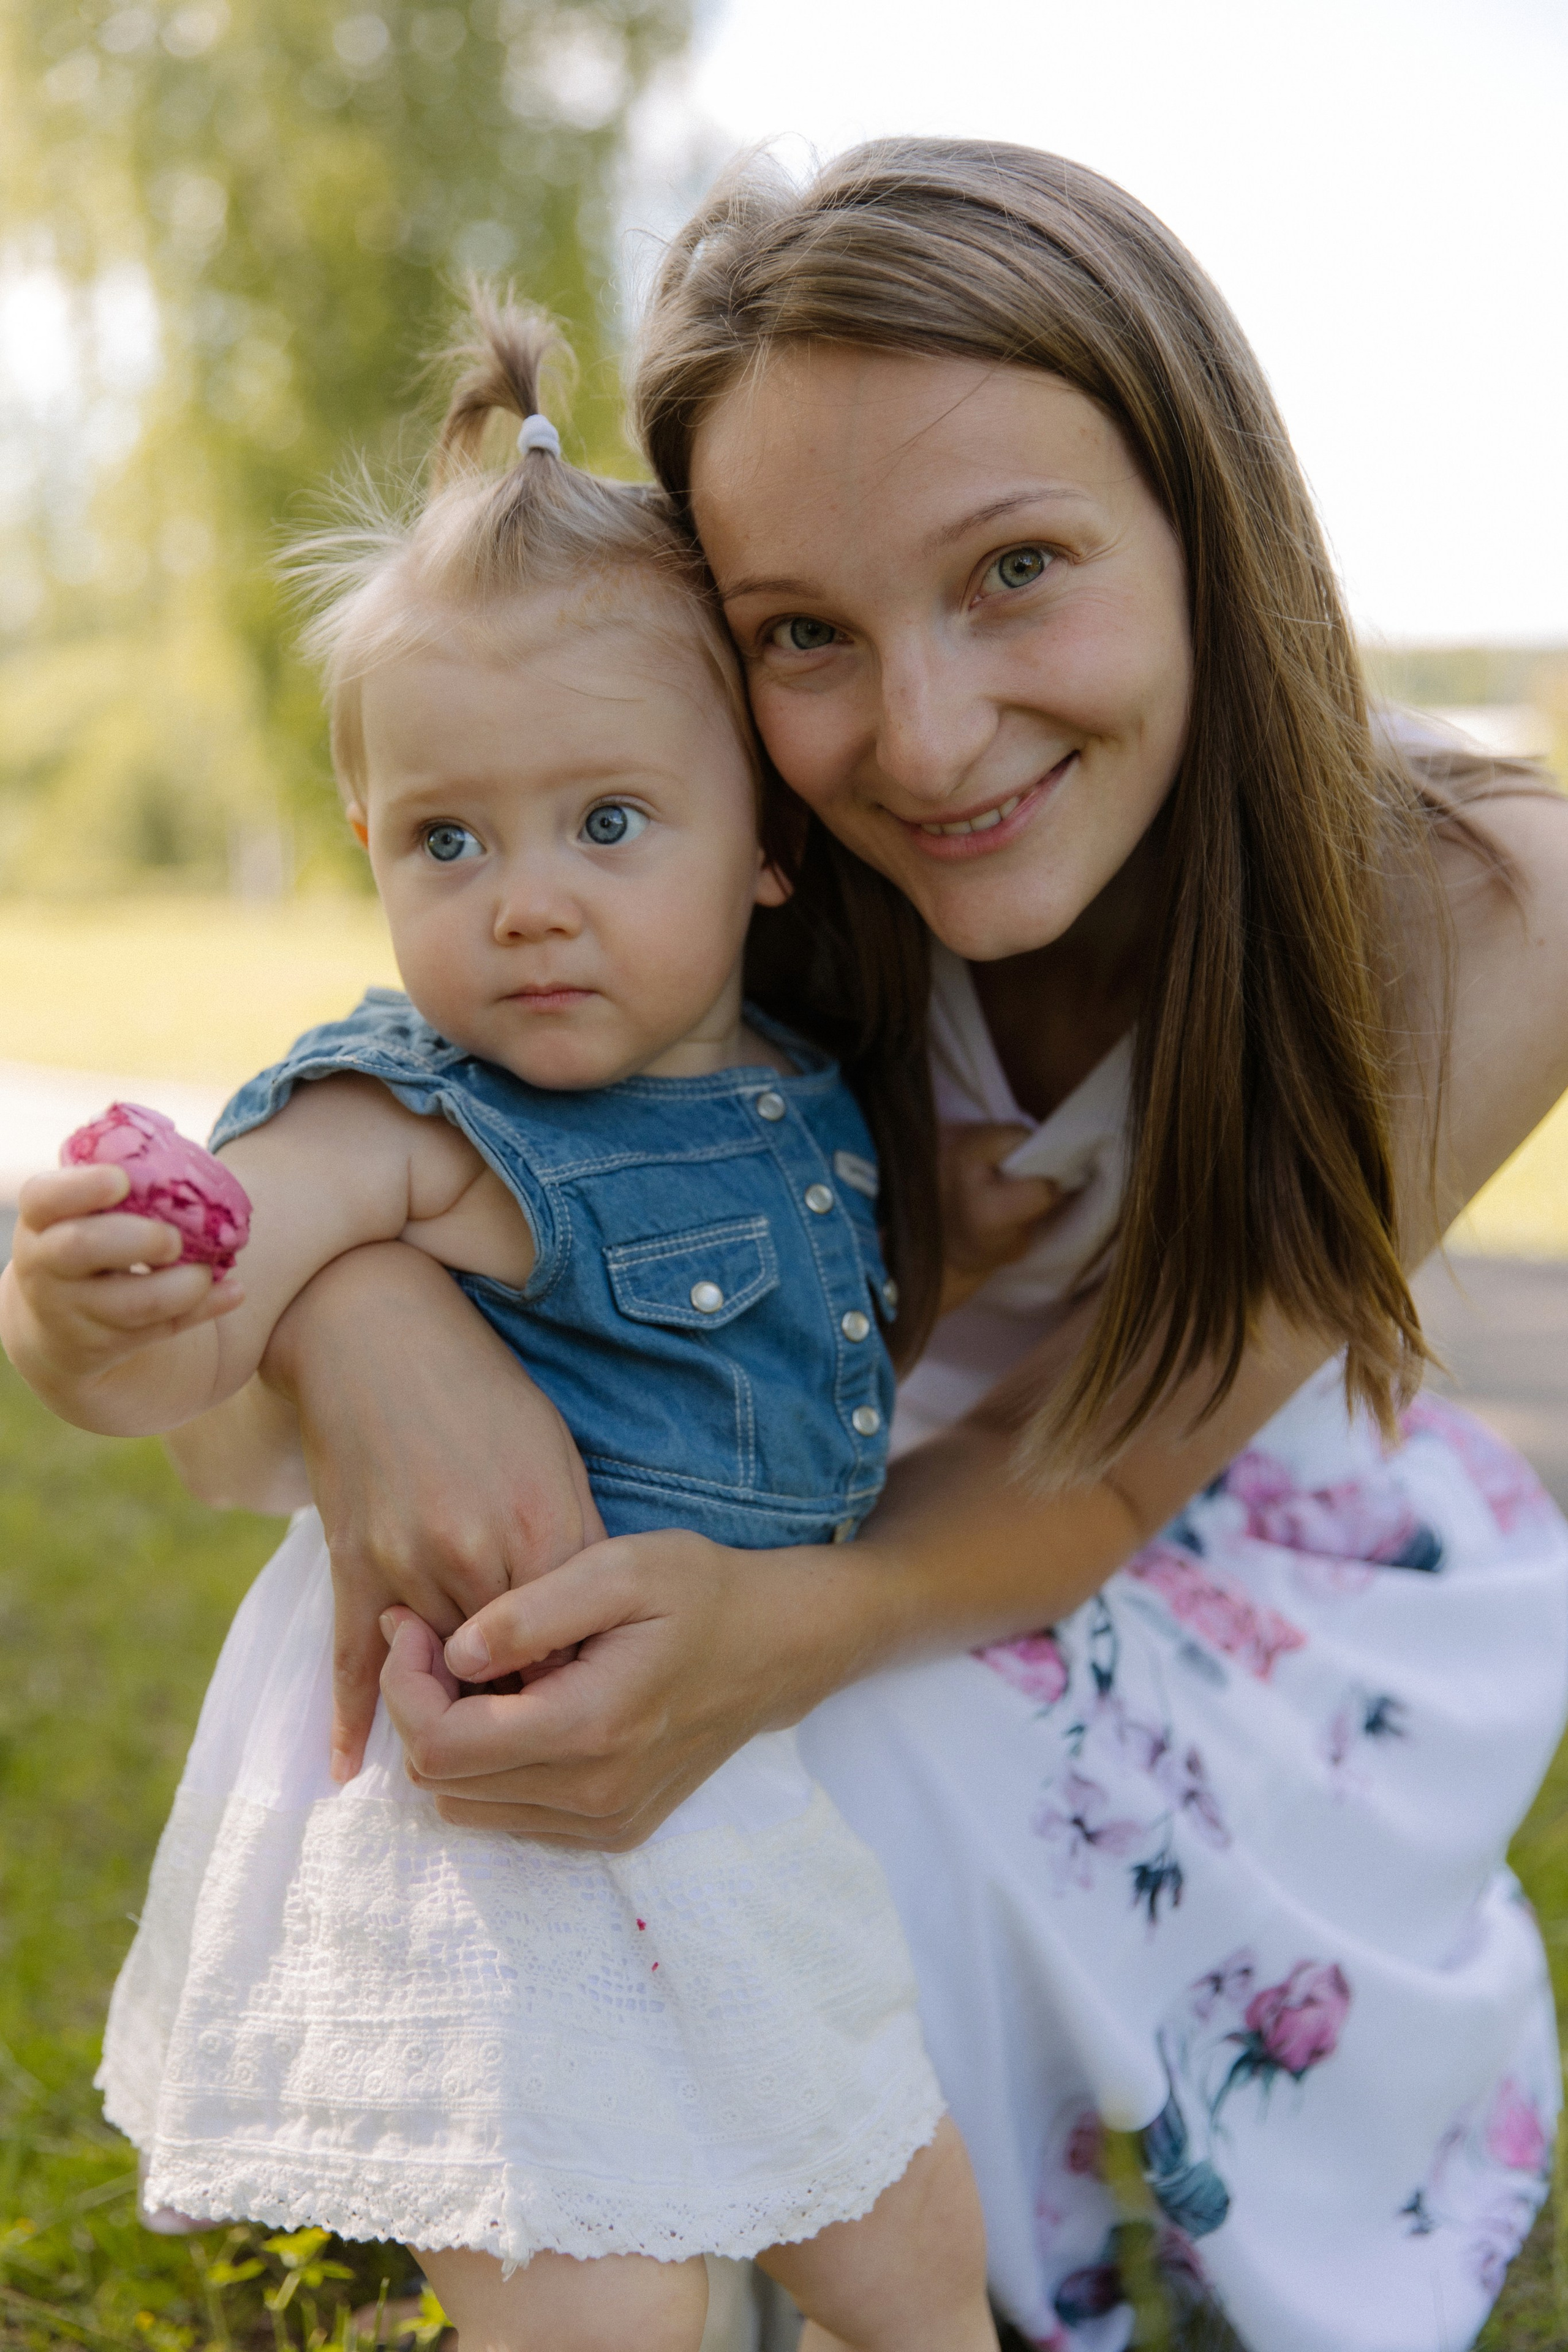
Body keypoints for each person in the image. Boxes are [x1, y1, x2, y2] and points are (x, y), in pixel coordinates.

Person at [164, 144, 1566, 2351]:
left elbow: (1110, 1462)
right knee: (569, 1796)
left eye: (1018, 569)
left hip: (1170, 1508)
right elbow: (409, 1109)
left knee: (843, 1775)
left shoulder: (1490, 907)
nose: (923, 737)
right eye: (804, 633)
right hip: (781, 1454)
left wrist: (774, 1636)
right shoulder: (749, 843)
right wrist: (366, 1317)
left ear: (1207, 525)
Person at [0, 296, 1002, 2352]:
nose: (525, 899)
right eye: (449, 839)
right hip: (491, 1835)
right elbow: (201, 1323)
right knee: (601, 2304)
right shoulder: (408, 1119)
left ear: (767, 843)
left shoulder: (803, 1092)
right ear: (368, 844)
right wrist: (92, 1314)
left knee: (902, 2227)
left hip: (717, 1793)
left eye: (607, 822)